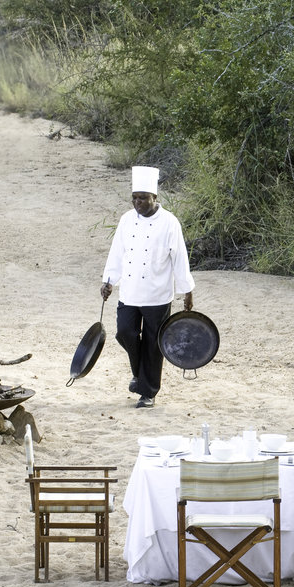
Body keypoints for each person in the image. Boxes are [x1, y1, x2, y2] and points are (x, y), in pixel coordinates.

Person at [101, 166, 195, 408]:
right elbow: (117, 253)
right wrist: (109, 281)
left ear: (155, 198)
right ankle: (138, 373)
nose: (137, 202)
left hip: (157, 295)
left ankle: (148, 392)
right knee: (125, 333)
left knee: (154, 344)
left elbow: (180, 258)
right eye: (134, 198)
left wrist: (187, 291)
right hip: (130, 292)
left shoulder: (169, 223)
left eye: (142, 198)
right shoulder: (126, 220)